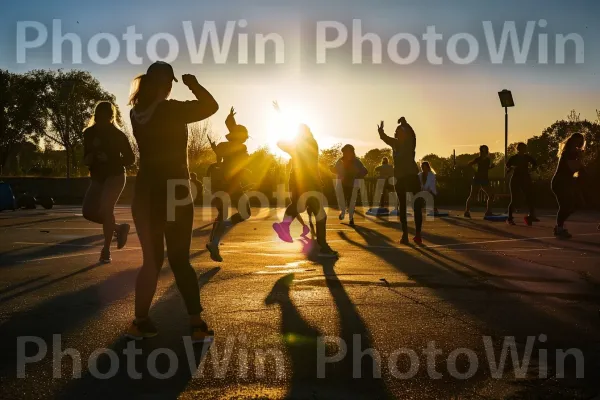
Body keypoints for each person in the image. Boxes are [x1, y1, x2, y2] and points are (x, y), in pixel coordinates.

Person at [127, 61, 219, 342]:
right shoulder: (172, 110)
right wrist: (194, 84)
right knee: (179, 259)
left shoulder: (136, 113)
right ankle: (196, 325)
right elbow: (210, 106)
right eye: (169, 83)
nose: (170, 88)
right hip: (174, 189)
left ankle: (140, 322)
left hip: (145, 191)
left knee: (151, 262)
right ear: (164, 84)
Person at [272, 124, 338, 257]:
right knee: (319, 214)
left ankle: (284, 226)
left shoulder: (296, 146)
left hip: (298, 179)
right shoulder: (310, 143)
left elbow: (279, 143)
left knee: (299, 206)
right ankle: (323, 247)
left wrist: (286, 133)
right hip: (308, 181)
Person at [82, 101, 135, 263]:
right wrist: (88, 158)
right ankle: (119, 228)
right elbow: (85, 157)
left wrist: (111, 159)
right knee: (88, 211)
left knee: (106, 209)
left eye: (105, 118)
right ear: (95, 117)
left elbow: (130, 159)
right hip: (98, 176)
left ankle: (106, 250)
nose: (101, 122)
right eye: (99, 118)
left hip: (115, 175)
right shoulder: (89, 133)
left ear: (111, 118)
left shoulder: (118, 135)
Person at [205, 107, 251, 262]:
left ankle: (214, 243)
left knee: (222, 214)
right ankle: (223, 228)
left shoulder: (223, 146)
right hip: (232, 185)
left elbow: (225, 157)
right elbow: (236, 163)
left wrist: (230, 119)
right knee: (244, 213)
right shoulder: (240, 147)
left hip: (219, 184)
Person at [377, 118, 425, 245]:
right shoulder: (395, 144)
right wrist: (381, 132)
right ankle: (405, 234)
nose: (399, 133)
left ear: (406, 134)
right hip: (399, 177)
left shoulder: (410, 143)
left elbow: (413, 135)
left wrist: (405, 123)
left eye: (402, 132)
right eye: (398, 132)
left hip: (411, 176)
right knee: (402, 205)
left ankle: (418, 234)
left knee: (416, 205)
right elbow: (385, 138)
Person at [552, 132, 586, 239]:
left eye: (580, 141)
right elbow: (574, 168)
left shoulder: (575, 153)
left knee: (577, 204)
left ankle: (559, 226)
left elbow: (578, 170)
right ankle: (559, 228)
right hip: (560, 182)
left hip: (568, 182)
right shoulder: (567, 153)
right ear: (571, 141)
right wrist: (580, 164)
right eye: (577, 140)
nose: (578, 143)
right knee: (565, 205)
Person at [331, 144, 368, 226]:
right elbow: (335, 170)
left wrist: (358, 175)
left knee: (351, 202)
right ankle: (343, 212)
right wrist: (331, 169)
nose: (345, 154)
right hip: (342, 184)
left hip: (353, 185)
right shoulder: (340, 161)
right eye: (344, 152)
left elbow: (365, 171)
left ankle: (351, 218)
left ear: (351, 152)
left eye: (347, 152)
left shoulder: (357, 162)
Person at [506, 143, 538, 226]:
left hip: (525, 179)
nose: (524, 150)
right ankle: (510, 218)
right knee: (514, 199)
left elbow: (535, 163)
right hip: (516, 179)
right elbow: (507, 166)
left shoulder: (527, 157)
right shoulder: (514, 158)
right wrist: (512, 168)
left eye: (525, 148)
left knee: (530, 197)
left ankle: (530, 216)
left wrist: (531, 169)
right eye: (522, 148)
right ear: (518, 149)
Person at [464, 145, 494, 218]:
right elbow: (469, 164)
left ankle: (488, 212)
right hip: (477, 179)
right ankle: (467, 211)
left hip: (485, 180)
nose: (484, 152)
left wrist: (491, 167)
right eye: (482, 151)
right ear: (480, 151)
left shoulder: (487, 160)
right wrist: (474, 171)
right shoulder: (478, 159)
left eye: (485, 151)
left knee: (491, 195)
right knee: (473, 196)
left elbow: (486, 168)